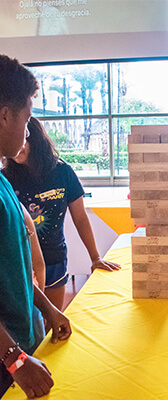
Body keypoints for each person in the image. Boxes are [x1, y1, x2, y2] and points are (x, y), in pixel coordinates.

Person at [0, 54, 72, 399]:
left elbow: (16, 269)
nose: (28, 130)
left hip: (23, 342)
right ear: (4, 115)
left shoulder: (3, 182)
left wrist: (47, 307)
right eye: (26, 119)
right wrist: (14, 359)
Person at [2, 117, 121, 311]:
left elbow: (80, 218)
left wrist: (95, 257)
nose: (18, 148)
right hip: (21, 262)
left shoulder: (63, 172)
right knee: (29, 324)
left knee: (53, 322)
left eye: (24, 139)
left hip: (54, 258)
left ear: (35, 139)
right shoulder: (6, 177)